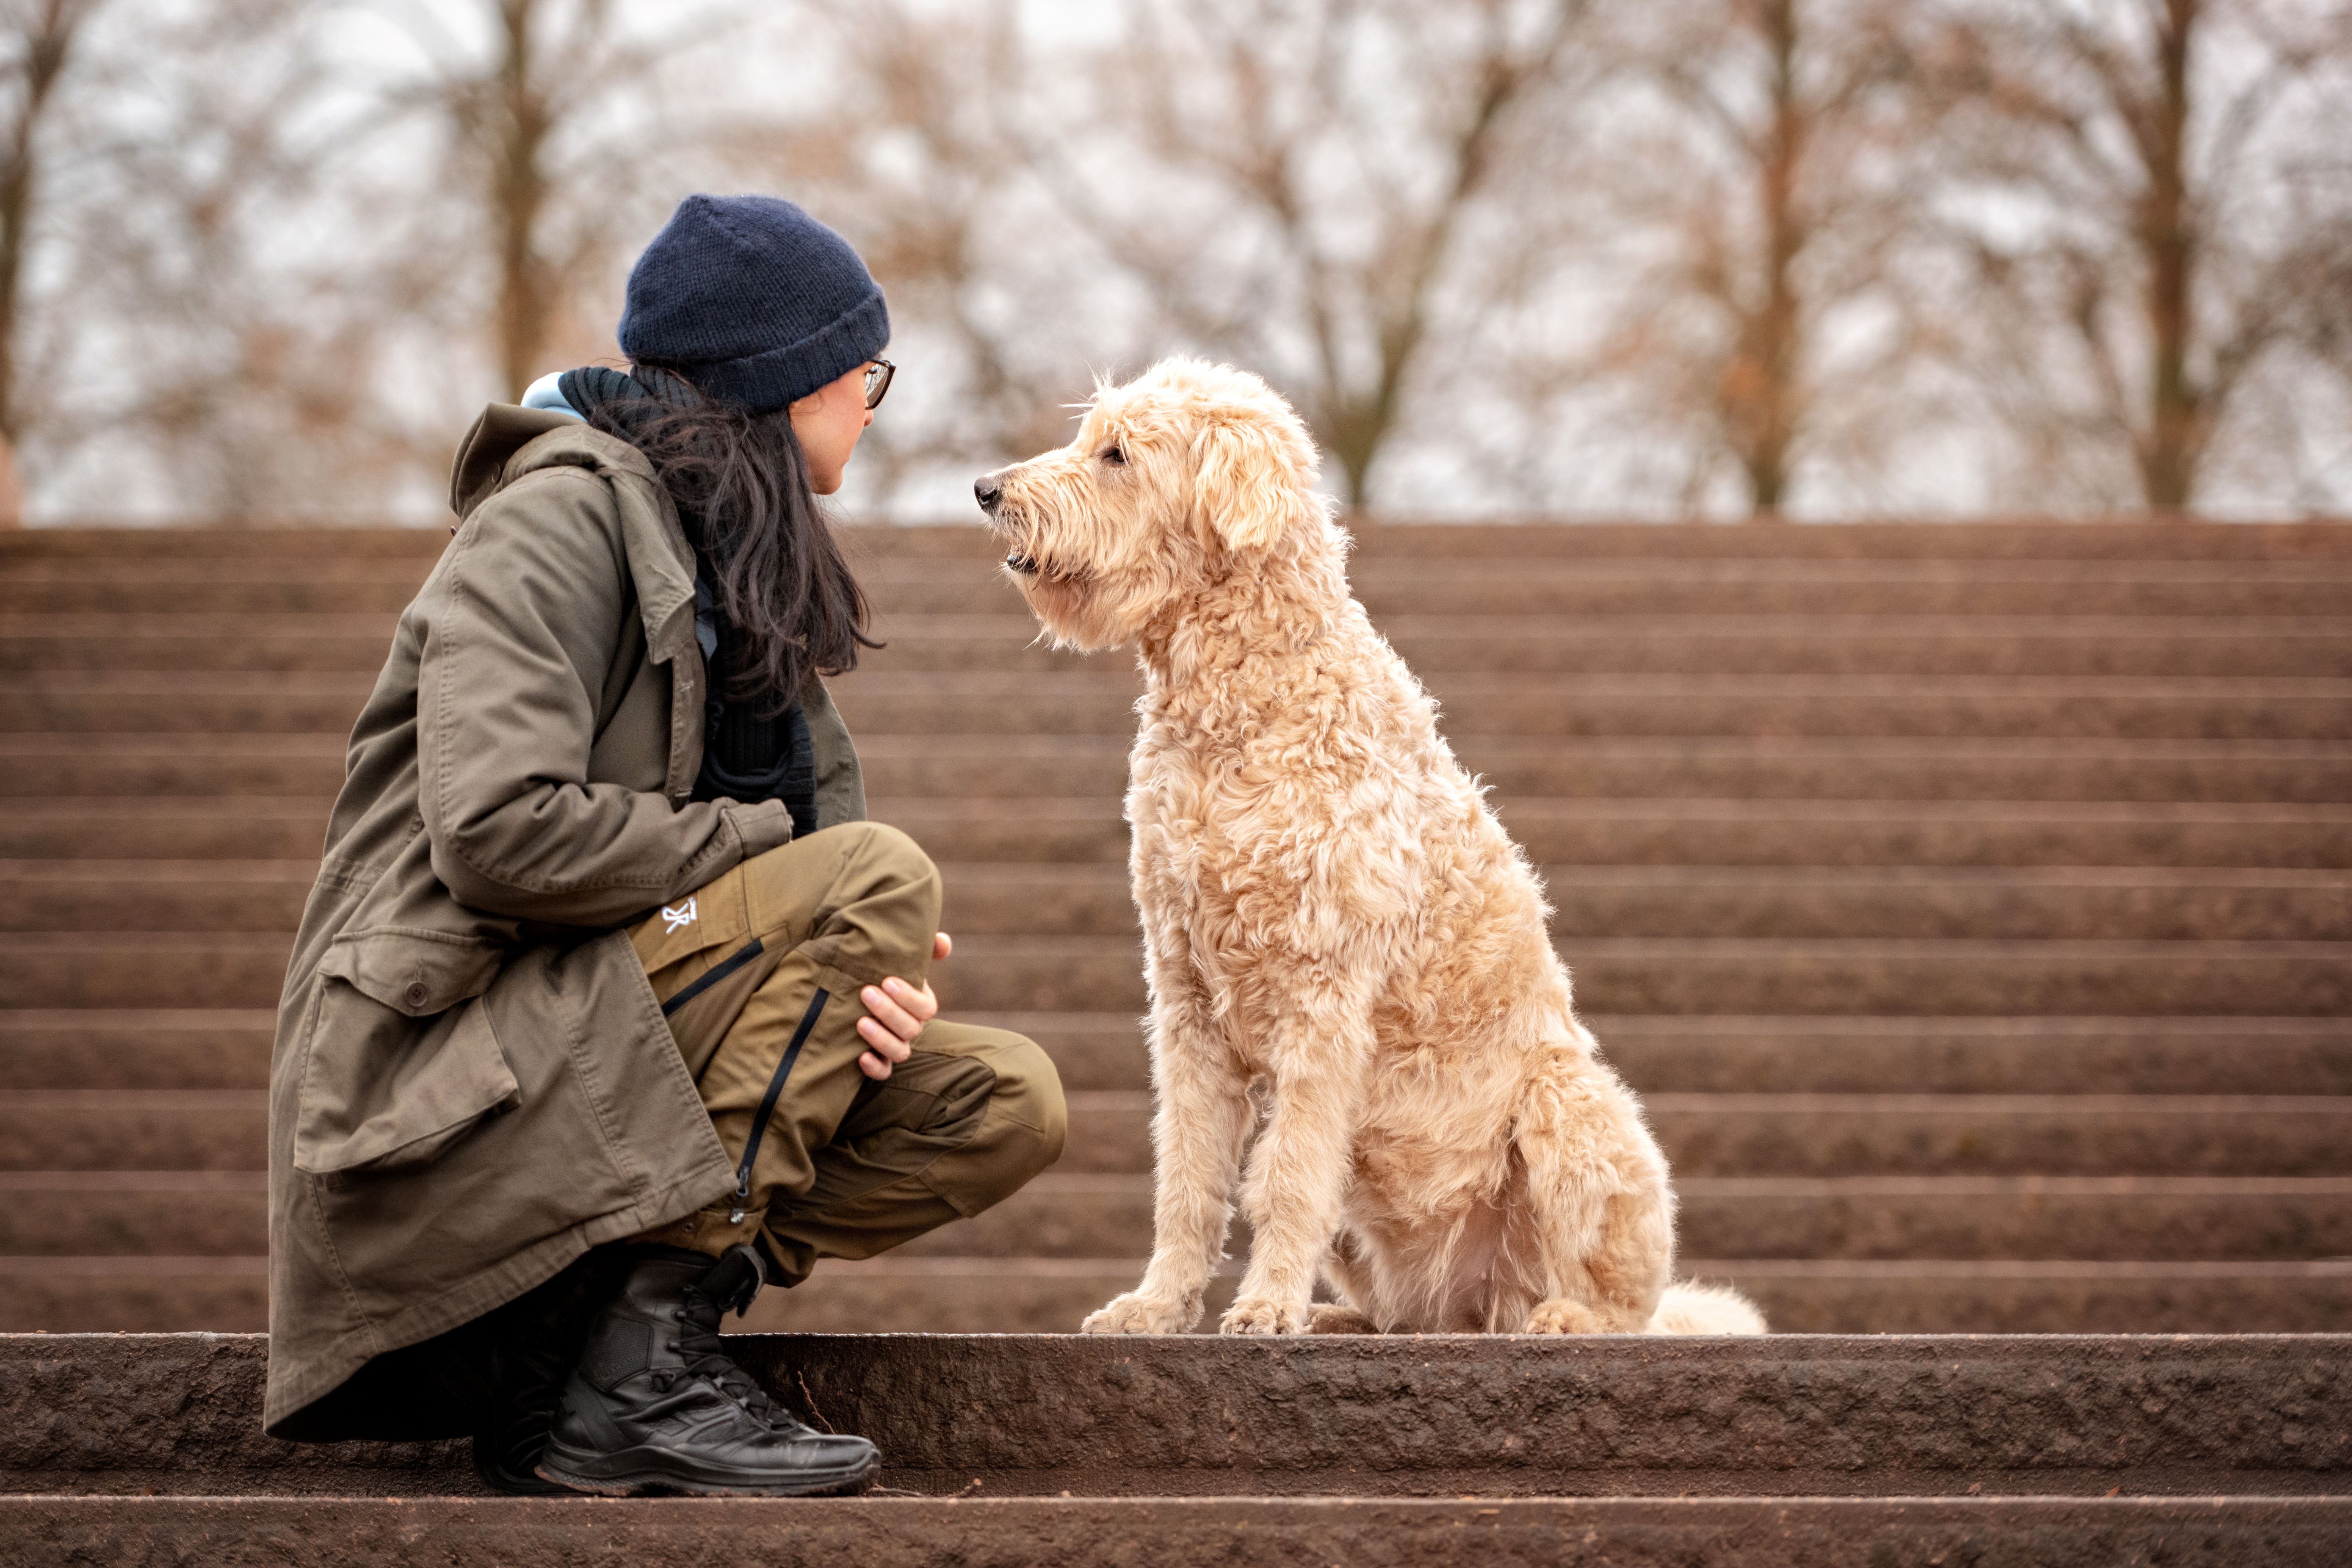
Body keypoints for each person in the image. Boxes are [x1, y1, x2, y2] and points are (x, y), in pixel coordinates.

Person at [260, 194, 1066, 1497]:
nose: (874, 401)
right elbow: (496, 835)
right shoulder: (554, 520)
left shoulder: (743, 568)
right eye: (867, 373)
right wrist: (788, 879)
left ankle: (579, 1366)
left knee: (996, 1097)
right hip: (430, 1096)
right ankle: (639, 1377)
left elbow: (833, 860)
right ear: (785, 381)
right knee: (869, 884)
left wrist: (871, 971)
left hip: (591, 1055)